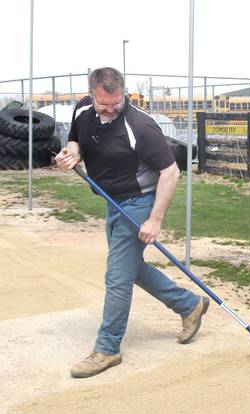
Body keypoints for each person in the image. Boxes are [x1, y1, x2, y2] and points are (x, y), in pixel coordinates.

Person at [55, 67, 209, 378]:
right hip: (113, 203)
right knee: (130, 268)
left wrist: (155, 219)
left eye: (116, 103)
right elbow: (76, 140)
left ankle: (107, 348)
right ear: (92, 94)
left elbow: (171, 172)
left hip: (138, 204)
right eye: (103, 104)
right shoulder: (84, 108)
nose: (110, 109)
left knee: (117, 278)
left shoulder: (140, 126)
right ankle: (189, 304)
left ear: (124, 94)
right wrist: (70, 154)